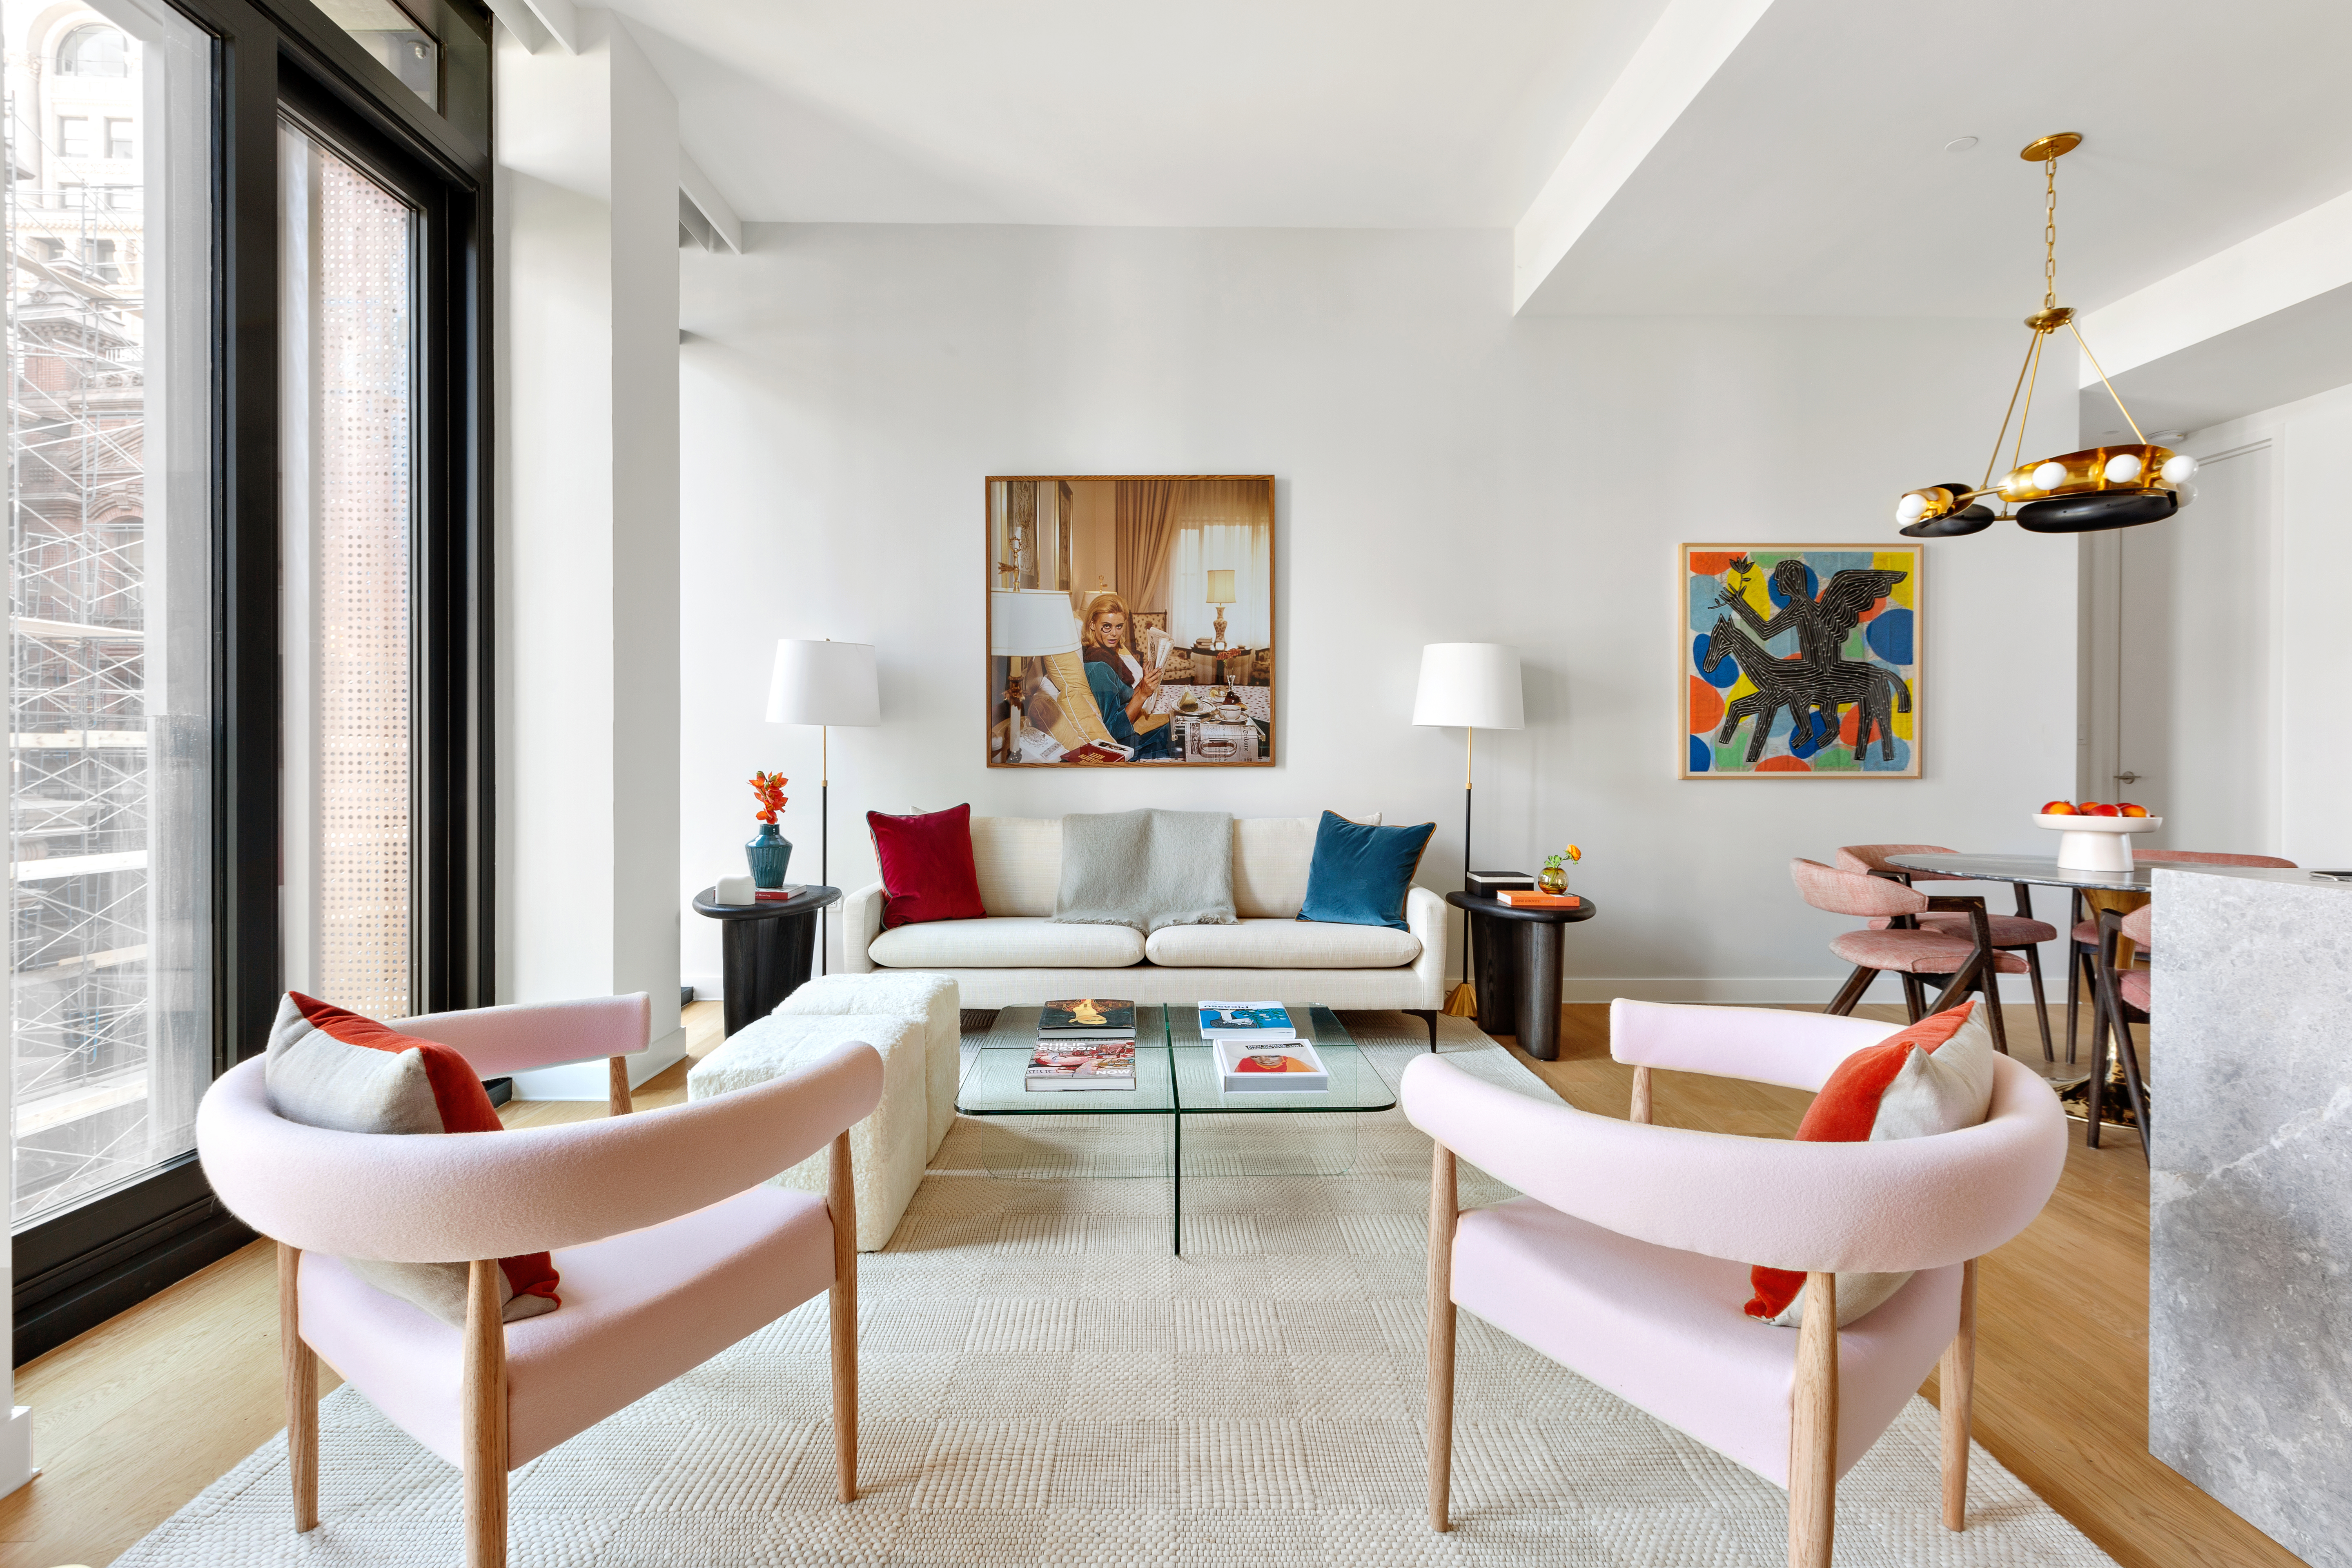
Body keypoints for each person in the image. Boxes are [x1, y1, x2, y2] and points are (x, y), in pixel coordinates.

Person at [1079, 593, 1169, 760]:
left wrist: (1143, 684)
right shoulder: (1099, 668)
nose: (1114, 633)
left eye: (1119, 626)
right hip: (1132, 743)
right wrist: (1143, 695)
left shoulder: (1107, 653)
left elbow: (1123, 697)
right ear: (1092, 624)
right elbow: (1113, 730)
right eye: (1107, 626)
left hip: (1136, 729)